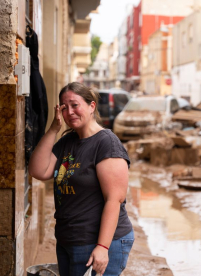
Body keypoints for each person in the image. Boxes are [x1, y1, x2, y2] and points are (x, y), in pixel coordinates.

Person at [29, 82, 134, 276]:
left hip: (98, 242)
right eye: (64, 107)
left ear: (91, 106)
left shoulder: (106, 143)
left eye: (75, 105)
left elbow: (114, 199)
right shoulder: (67, 142)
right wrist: (53, 129)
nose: (69, 112)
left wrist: (102, 247)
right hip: (69, 239)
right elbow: (38, 171)